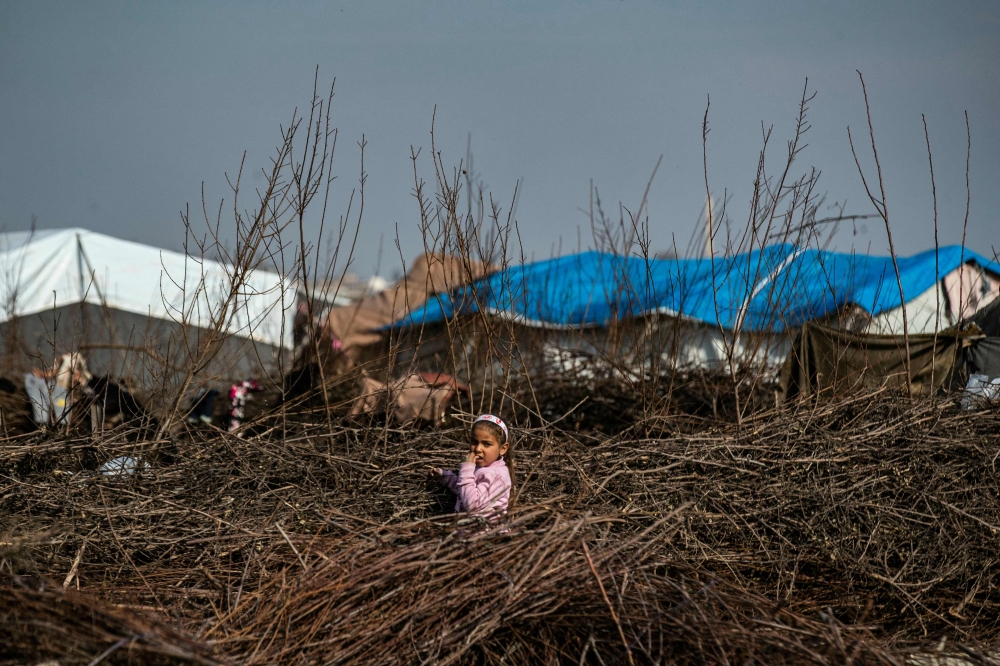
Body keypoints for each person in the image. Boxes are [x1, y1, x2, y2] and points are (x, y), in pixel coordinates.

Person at [429, 414, 513, 519]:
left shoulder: (497, 476)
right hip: (470, 532)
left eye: (486, 444)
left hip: (487, 533)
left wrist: (466, 470)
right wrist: (446, 477)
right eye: (474, 442)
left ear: (503, 448)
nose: (478, 448)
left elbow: (472, 504)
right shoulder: (482, 468)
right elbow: (465, 491)